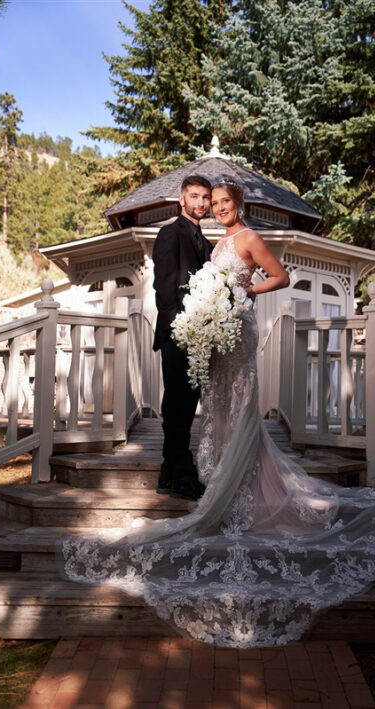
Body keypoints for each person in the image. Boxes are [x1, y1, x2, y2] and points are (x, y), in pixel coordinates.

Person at [62, 178, 375, 648]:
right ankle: (220, 479)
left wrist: (247, 294)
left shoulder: (246, 237)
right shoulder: (210, 241)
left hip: (237, 331)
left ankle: (246, 486)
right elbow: (182, 285)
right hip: (212, 336)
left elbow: (280, 277)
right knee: (218, 408)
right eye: (212, 202)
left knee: (239, 403)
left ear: (239, 204)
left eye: (222, 201)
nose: (216, 207)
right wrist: (199, 318)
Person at [152, 174, 214, 501]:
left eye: (206, 197)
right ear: (182, 199)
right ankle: (182, 474)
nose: (201, 203)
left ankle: (168, 470)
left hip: (197, 336)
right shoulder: (170, 233)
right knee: (177, 405)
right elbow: (163, 287)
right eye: (195, 196)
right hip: (178, 333)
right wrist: (180, 329)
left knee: (185, 405)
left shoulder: (205, 241)